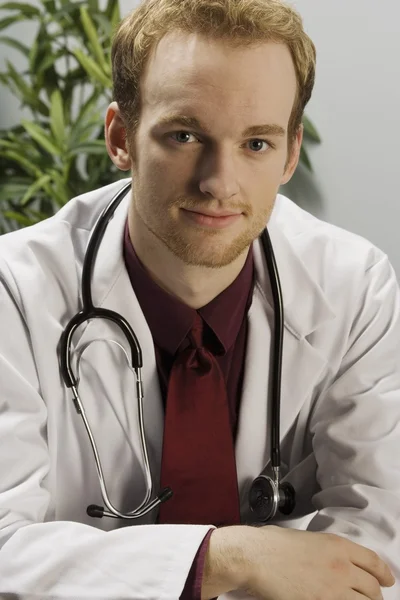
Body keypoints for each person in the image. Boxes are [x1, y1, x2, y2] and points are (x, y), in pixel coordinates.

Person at [0, 0, 399, 598]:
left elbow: (375, 550)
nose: (218, 181)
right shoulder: (14, 290)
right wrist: (219, 558)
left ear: (291, 153)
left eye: (257, 143)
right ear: (120, 137)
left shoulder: (354, 287)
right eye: (184, 135)